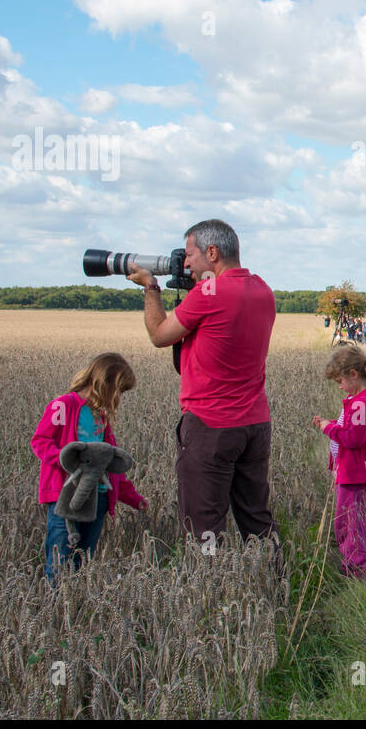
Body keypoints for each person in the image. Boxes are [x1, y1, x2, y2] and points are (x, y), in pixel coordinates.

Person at [127, 219, 279, 545]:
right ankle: (276, 580)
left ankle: (210, 586)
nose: (184, 264)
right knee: (256, 517)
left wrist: (151, 287)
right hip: (255, 424)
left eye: (189, 255)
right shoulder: (263, 290)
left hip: (211, 425)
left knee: (204, 527)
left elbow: (159, 335)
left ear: (212, 252)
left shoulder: (208, 292)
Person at [30, 353, 146, 582]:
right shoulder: (64, 405)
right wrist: (71, 460)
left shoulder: (100, 416)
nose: (118, 398)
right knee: (60, 564)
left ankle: (76, 607)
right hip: (67, 497)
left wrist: (134, 498)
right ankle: (56, 611)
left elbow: (110, 466)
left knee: (83, 564)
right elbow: (40, 441)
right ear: (105, 383)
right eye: (118, 391)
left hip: (98, 499)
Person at [312, 346, 366, 579]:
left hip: (355, 473)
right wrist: (331, 423)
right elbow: (350, 428)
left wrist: (328, 428)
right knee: (345, 522)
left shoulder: (361, 403)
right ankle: (352, 561)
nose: (340, 386)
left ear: (354, 374)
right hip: (349, 471)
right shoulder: (356, 400)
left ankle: (357, 568)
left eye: (340, 381)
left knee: (350, 524)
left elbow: (354, 437)